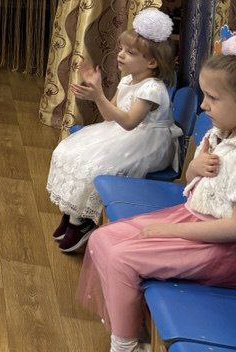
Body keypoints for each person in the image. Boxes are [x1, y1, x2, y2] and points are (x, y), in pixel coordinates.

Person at [79, 41, 236, 352]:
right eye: (204, 96)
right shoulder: (220, 134)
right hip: (192, 219)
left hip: (219, 248)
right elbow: (193, 183)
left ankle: (125, 344)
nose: (204, 106)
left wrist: (170, 231)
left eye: (213, 98)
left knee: (122, 258)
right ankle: (135, 328)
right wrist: (195, 168)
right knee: (101, 239)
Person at [47, 8, 179, 253]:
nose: (120, 55)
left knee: (96, 166)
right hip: (126, 134)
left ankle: (81, 222)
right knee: (68, 153)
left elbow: (129, 122)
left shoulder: (152, 88)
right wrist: (97, 95)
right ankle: (72, 212)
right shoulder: (128, 80)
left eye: (130, 53)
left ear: (151, 62)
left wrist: (98, 96)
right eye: (121, 49)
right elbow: (111, 116)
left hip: (149, 143)